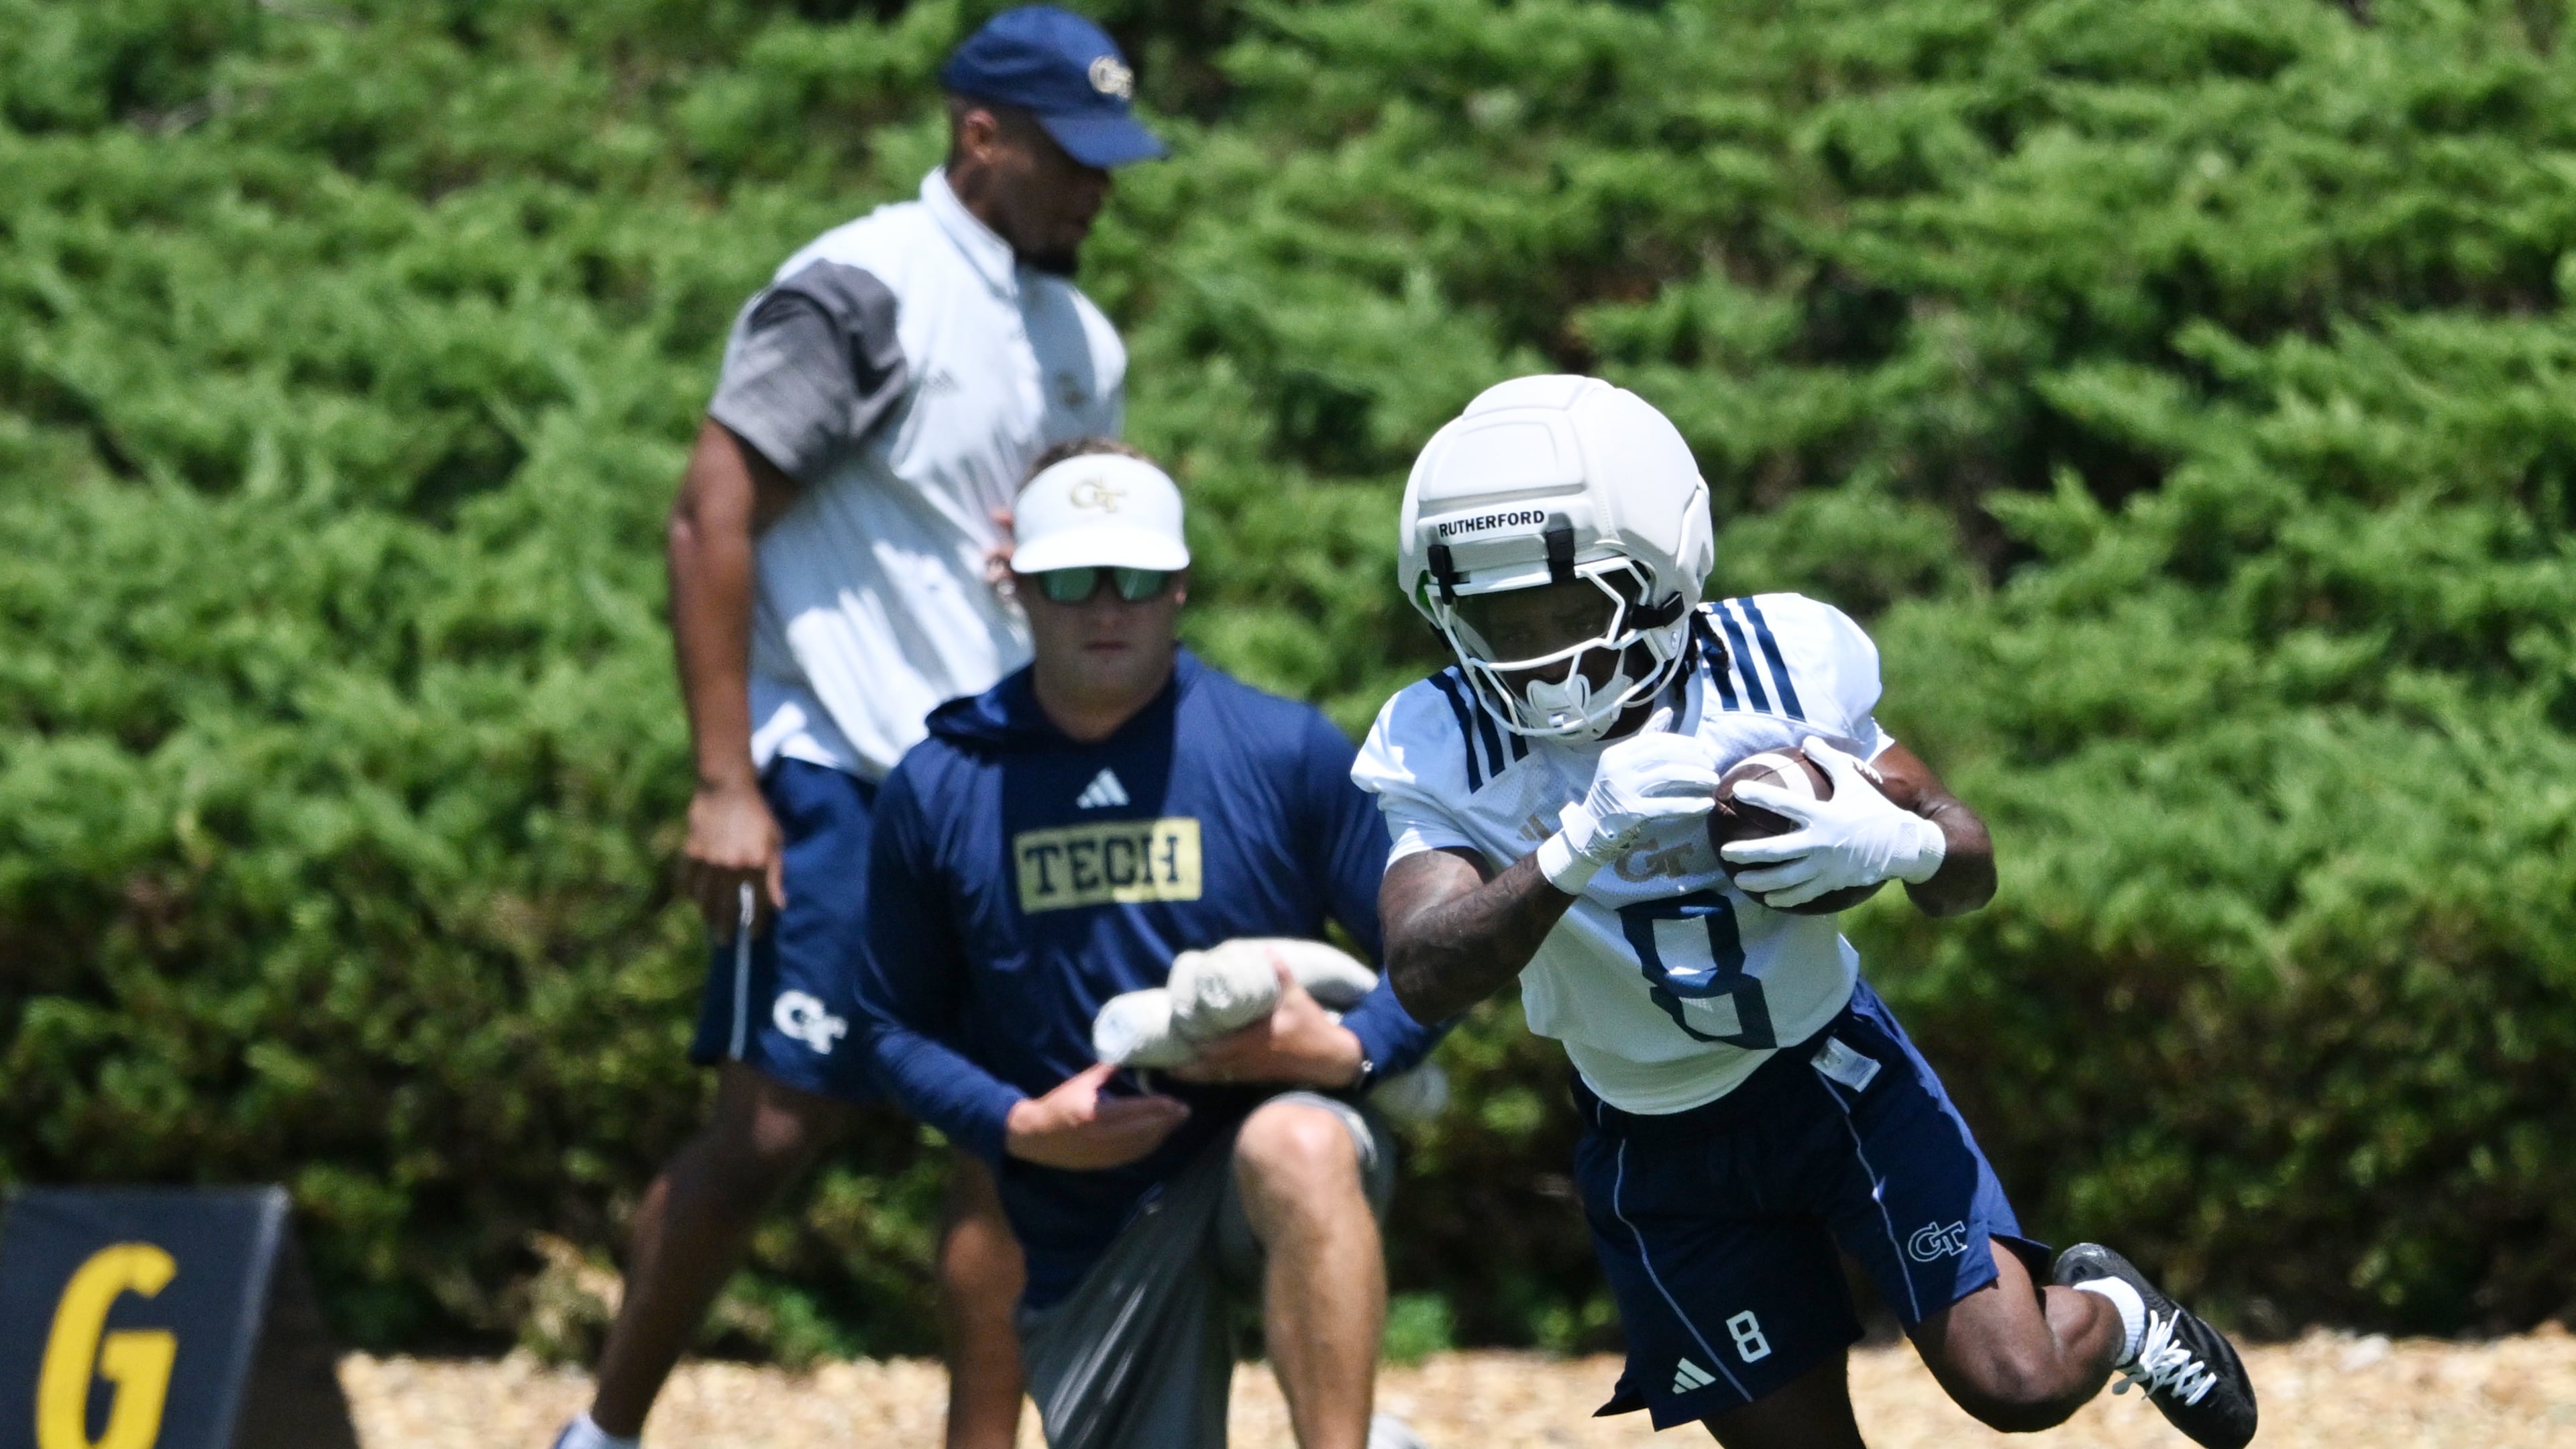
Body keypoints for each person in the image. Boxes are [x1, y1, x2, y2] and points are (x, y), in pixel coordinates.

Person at [1350, 375, 2259, 1449]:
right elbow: (1422, 965)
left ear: (1659, 577)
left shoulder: (1778, 660)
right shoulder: (1440, 735)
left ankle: (2114, 1311)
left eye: (1565, 609)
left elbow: (1968, 865)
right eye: (1499, 620)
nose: (1537, 655)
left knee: (2017, 1383)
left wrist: (1898, 840)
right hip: (1654, 1140)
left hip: (1836, 1077)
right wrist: (1574, 844)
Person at [552, 11, 1167, 1449]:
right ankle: (604, 1433)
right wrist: (724, 782)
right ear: (980, 138)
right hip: (831, 777)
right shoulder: (862, 290)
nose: (1099, 193)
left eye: (1114, 165)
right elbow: (711, 514)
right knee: (767, 1132)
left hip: (1000, 797)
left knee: (1011, 1154)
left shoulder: (1083, 337)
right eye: (1072, 161)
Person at [852, 441, 1444, 1449]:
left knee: (1295, 1142)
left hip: (1269, 1151)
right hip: (1085, 1218)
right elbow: (885, 1025)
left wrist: (1351, 1050)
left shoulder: (1282, 748)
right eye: (1073, 579)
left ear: (1179, 586)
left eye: (1134, 577)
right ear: (1019, 588)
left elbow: (1436, 951)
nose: (1105, 606)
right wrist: (1017, 1124)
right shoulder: (942, 781)